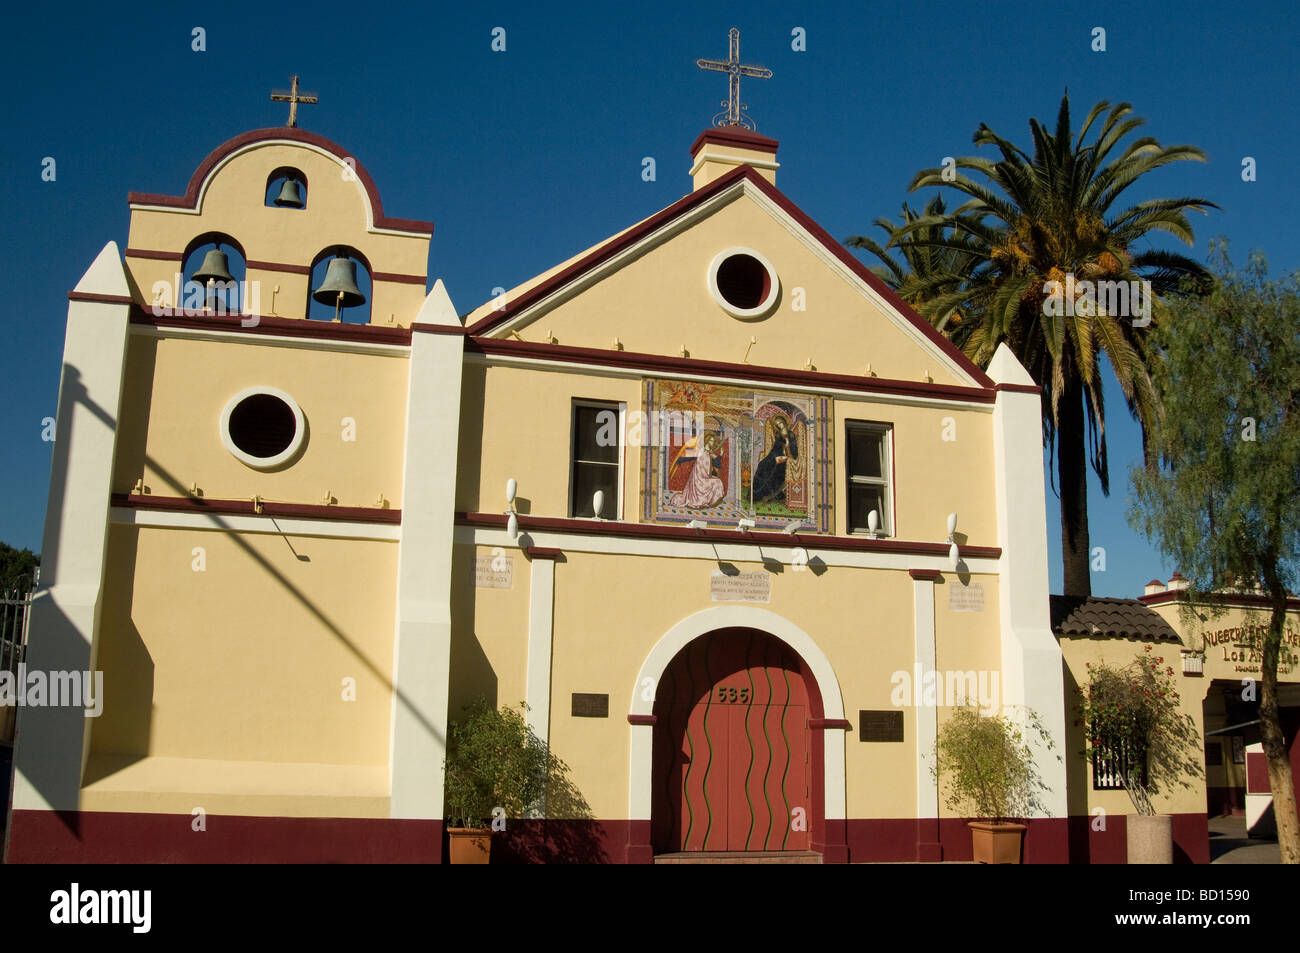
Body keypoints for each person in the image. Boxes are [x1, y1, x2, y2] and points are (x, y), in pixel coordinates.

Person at [668, 431, 726, 508]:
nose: (712, 443)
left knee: (718, 482)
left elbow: (717, 464)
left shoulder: (710, 453)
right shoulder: (700, 451)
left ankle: (711, 501)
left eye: (713, 441)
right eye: (711, 441)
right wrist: (679, 459)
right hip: (697, 480)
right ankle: (698, 501)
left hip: (705, 479)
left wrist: (721, 455)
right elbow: (688, 455)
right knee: (717, 482)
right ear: (707, 441)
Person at [752, 415, 797, 503]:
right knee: (762, 464)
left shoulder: (791, 434)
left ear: (784, 422)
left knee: (775, 469)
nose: (780, 425)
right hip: (777, 455)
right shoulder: (778, 434)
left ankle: (771, 494)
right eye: (777, 424)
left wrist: (788, 444)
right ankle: (756, 492)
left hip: (787, 457)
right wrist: (774, 457)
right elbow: (776, 448)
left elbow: (794, 450)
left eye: (780, 423)